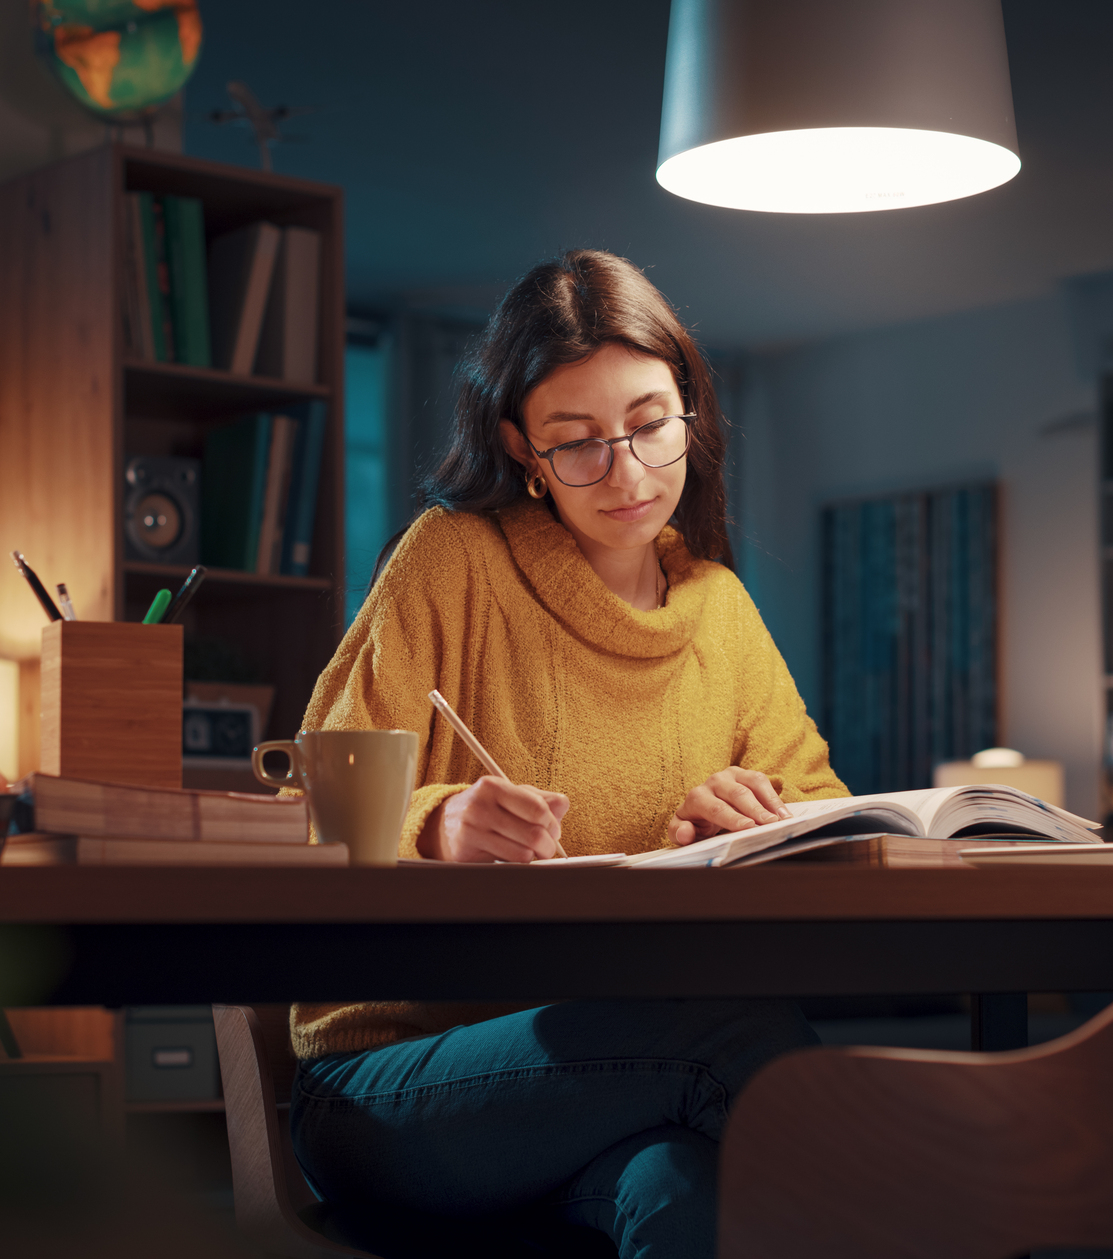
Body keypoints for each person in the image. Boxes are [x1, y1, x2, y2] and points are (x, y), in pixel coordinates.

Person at [288, 249, 849, 1258]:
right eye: (577, 441)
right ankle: (930, 1207)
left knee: (684, 1193)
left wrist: (757, 808)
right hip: (394, 1087)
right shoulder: (451, 558)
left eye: (646, 423)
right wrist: (435, 822)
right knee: (719, 1031)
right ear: (520, 448)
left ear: (690, 408)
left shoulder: (716, 607)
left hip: (616, 1091)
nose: (626, 471)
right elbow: (313, 805)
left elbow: (827, 810)